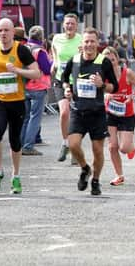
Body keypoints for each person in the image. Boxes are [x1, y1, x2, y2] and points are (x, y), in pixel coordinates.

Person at [0, 18, 41, 194]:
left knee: (15, 140)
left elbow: (36, 72)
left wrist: (17, 71)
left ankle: (15, 176)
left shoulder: (21, 50)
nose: (3, 34)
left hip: (16, 100)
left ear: (13, 32)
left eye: (6, 30)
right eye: (0, 30)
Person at [62, 28, 118, 195]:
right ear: (82, 44)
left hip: (97, 112)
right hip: (78, 111)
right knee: (73, 145)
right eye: (86, 41)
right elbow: (64, 79)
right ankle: (85, 169)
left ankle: (95, 181)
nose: (89, 45)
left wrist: (102, 84)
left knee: (98, 150)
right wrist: (67, 89)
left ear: (97, 43)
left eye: (92, 41)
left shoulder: (104, 62)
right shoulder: (75, 60)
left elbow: (114, 87)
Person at [103, 47, 135, 185]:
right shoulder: (102, 75)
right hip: (110, 114)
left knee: (124, 148)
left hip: (126, 114)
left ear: (116, 58)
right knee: (112, 146)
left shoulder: (127, 73)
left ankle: (131, 148)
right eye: (107, 58)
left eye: (112, 57)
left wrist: (131, 96)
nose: (110, 59)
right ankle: (119, 176)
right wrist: (105, 95)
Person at [51, 13, 82, 162]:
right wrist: (54, 62)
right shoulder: (57, 38)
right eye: (67, 23)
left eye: (72, 24)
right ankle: (65, 143)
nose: (69, 26)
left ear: (77, 26)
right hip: (60, 80)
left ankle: (75, 147)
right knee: (64, 112)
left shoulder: (81, 40)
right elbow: (54, 51)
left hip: (77, 81)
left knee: (76, 115)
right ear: (63, 25)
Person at [21, 26, 53, 156]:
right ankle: (28, 146)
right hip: (38, 87)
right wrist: (52, 61)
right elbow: (46, 69)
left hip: (24, 86)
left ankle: (21, 144)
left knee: (25, 118)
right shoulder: (40, 51)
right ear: (41, 37)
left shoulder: (24, 48)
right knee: (35, 118)